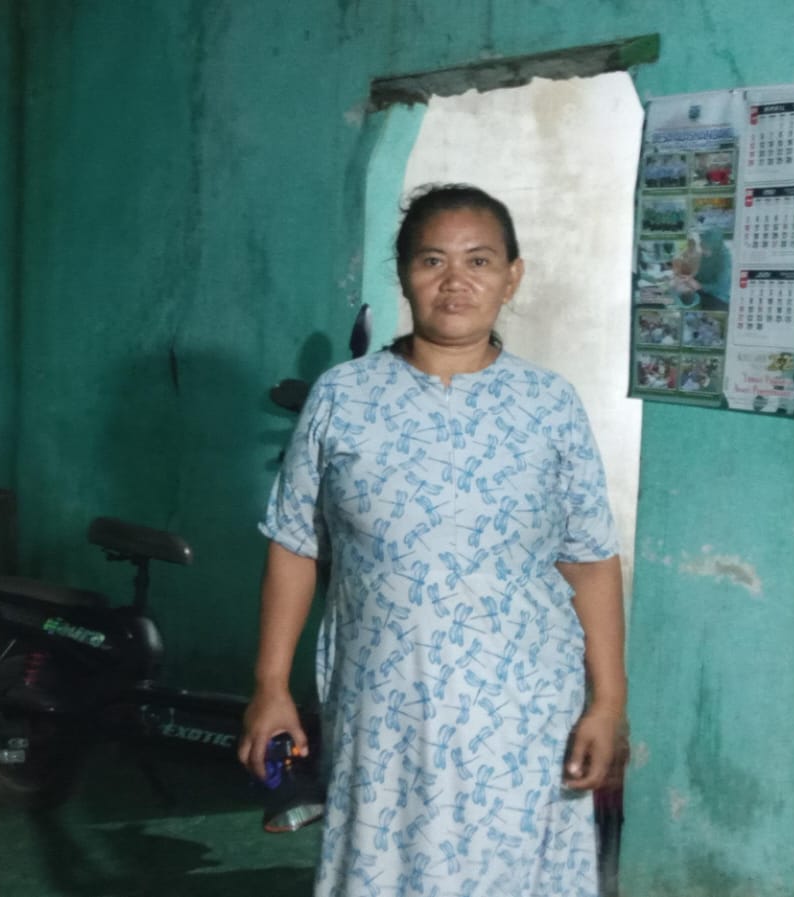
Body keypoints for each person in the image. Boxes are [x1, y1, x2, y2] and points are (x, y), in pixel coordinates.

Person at [239, 184, 626, 896]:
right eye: (432, 260)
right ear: (404, 273)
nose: (456, 281)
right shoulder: (343, 397)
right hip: (383, 704)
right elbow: (294, 546)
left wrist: (608, 703)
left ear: (512, 276)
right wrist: (270, 686)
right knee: (386, 870)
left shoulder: (549, 404)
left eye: (479, 261)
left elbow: (591, 560)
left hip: (523, 711)